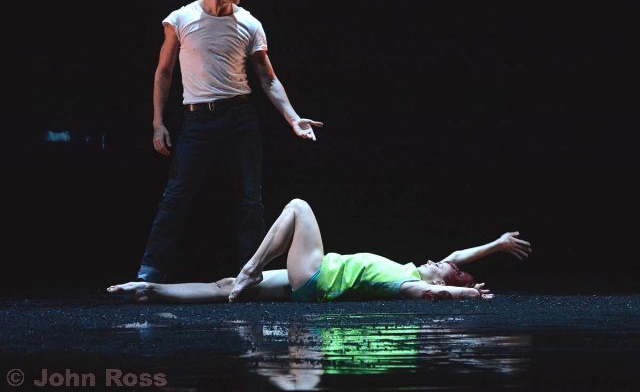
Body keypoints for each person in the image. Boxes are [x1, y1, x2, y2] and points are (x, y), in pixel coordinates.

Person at [137, 0, 322, 284]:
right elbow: (164, 72)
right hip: (198, 119)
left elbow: (267, 78)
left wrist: (292, 117)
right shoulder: (181, 19)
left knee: (250, 197)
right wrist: (158, 123)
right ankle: (151, 270)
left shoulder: (249, 23)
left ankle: (251, 273)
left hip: (239, 117)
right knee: (177, 195)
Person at [110, 199, 532, 303]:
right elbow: (457, 257)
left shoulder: (407, 282)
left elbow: (430, 292)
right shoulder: (413, 270)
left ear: (444, 278)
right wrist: (496, 245)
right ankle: (151, 290)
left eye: (442, 265)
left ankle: (251, 267)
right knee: (225, 287)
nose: (438, 260)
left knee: (298, 207)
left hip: (315, 274)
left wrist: (464, 293)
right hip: (312, 279)